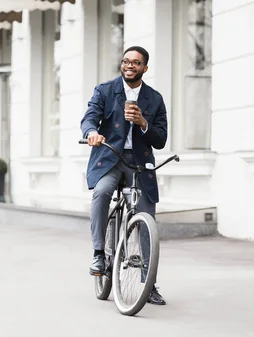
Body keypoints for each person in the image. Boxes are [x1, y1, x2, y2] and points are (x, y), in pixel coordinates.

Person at [80, 46, 168, 305]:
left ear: (145, 68)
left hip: (140, 164)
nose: (130, 66)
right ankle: (99, 253)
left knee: (146, 212)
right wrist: (91, 133)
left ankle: (148, 282)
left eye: (136, 62)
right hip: (109, 159)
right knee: (102, 192)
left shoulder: (154, 98)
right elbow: (89, 118)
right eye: (126, 61)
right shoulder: (105, 90)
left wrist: (143, 123)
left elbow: (161, 140)